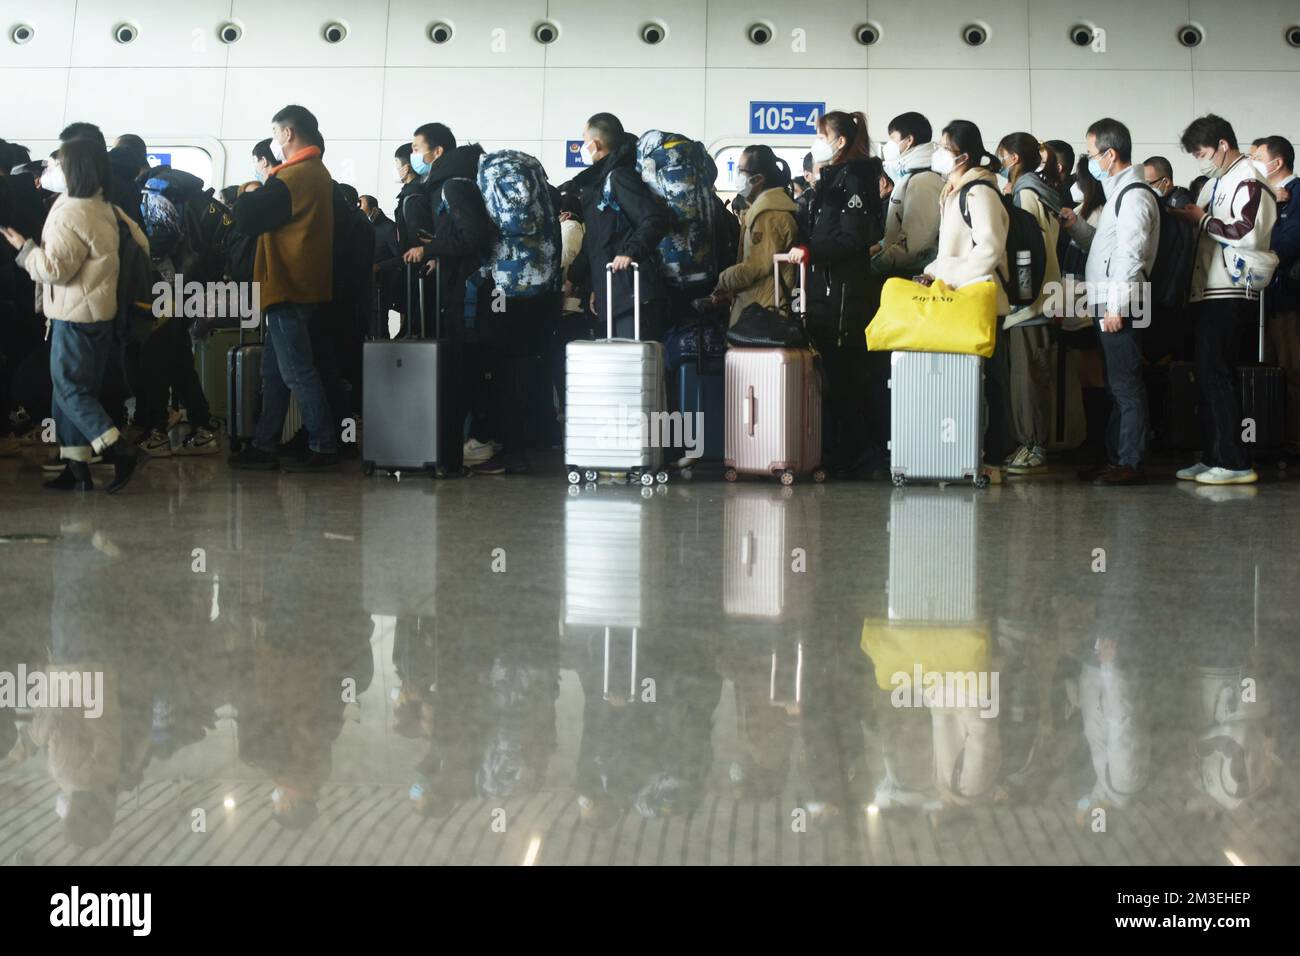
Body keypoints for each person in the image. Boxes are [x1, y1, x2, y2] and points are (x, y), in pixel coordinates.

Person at [1, 138, 150, 492]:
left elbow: (55, 270)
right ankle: (76, 465)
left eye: (58, 164)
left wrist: (25, 250)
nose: (50, 171)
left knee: (71, 392)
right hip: (94, 312)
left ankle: (119, 449)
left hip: (76, 316)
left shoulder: (73, 211)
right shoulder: (101, 206)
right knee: (66, 393)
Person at [1171, 114, 1280, 485]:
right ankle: (1214, 454)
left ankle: (1234, 461)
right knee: (1208, 374)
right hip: (1210, 289)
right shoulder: (1219, 180)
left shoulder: (1248, 178)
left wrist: (1200, 220)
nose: (1200, 160)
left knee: (1218, 375)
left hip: (1231, 290)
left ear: (1222, 144)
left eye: (1202, 152)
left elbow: (1247, 232)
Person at [228, 104, 338, 472]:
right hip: (299, 283)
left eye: (276, 134)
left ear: (288, 134)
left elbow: (247, 216)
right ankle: (265, 442)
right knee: (274, 371)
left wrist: (246, 194)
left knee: (296, 371)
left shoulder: (295, 177)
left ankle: (324, 445)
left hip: (288, 284)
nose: (275, 142)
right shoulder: (315, 172)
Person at [1058, 118, 1160, 486]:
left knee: (1126, 385)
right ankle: (1118, 457)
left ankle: (1130, 462)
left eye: (1092, 155)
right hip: (1110, 300)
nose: (1090, 162)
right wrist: (1075, 226)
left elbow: (1131, 256)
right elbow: (1107, 250)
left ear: (1110, 154)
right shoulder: (1121, 193)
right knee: (1118, 385)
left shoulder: (1133, 195)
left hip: (1122, 302)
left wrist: (1116, 306)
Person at [787, 110, 885, 478]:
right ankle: (839, 454)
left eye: (822, 135)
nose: (818, 142)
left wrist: (812, 252)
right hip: (825, 287)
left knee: (844, 374)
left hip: (842, 291)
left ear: (840, 141)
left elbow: (851, 236)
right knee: (832, 373)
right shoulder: (833, 178)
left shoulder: (854, 176)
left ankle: (859, 456)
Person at [919, 119, 1009, 476]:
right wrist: (933, 270)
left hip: (980, 301)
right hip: (961, 299)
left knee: (988, 382)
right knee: (971, 381)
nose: (939, 154)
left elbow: (989, 249)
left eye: (945, 148)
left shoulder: (979, 193)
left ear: (965, 156)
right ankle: (969, 450)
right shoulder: (955, 191)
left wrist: (946, 275)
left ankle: (992, 455)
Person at [565, 112, 671, 341]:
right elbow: (597, 240)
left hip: (633, 293)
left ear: (595, 144)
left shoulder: (619, 177)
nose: (583, 147)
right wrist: (593, 285)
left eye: (584, 141)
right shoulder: (600, 182)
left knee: (636, 365)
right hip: (616, 292)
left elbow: (653, 219)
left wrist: (630, 252)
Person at [997, 133, 1063, 476]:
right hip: (1045, 293)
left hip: (1032, 300)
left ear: (1012, 158)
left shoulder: (1025, 192)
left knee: (1028, 378)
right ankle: (1028, 444)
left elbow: (1025, 251)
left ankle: (1034, 446)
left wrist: (1020, 296)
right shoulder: (1042, 190)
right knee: (1031, 374)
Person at [709, 146, 799, 327]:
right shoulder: (764, 209)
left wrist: (722, 281)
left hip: (762, 310)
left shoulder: (768, 215)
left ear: (758, 179)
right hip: (758, 304)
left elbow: (755, 266)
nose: (737, 175)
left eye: (741, 170)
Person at [1250, 136, 1300, 455]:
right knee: (1270, 370)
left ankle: (1295, 439)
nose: (1253, 164)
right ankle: (1272, 435)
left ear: (1277, 162)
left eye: (1257, 157)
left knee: (1292, 369)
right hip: (1269, 299)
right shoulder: (1270, 196)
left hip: (1291, 300)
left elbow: (1286, 242)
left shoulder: (1297, 194)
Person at [873, 111, 942, 278]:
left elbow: (914, 243)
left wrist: (876, 265)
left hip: (913, 273)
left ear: (909, 140)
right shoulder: (909, 176)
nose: (889, 145)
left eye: (893, 138)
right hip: (904, 268)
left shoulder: (923, 181)